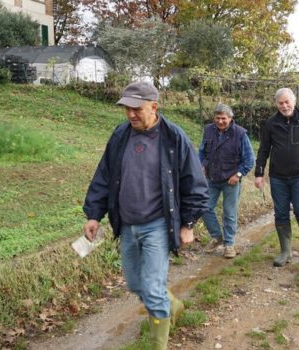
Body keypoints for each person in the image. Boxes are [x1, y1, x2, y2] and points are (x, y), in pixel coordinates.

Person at [82, 81, 209, 350]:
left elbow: (195, 184)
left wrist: (187, 224)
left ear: (154, 106)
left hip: (158, 225)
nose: (130, 115)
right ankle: (171, 305)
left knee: (151, 289)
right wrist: (94, 214)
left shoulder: (174, 137)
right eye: (126, 109)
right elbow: (104, 176)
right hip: (127, 225)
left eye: (136, 109)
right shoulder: (120, 135)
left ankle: (158, 344)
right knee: (136, 283)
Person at [254, 88, 299, 266]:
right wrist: (259, 173)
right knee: (281, 213)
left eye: (287, 102)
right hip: (278, 177)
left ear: (294, 101)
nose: (284, 106)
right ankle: (285, 251)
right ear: (276, 104)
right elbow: (263, 150)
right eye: (280, 103)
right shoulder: (271, 123)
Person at [198, 103, 255, 258]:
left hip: (231, 180)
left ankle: (229, 244)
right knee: (204, 207)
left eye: (223, 118)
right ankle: (217, 237)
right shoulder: (208, 130)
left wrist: (238, 175)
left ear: (230, 118)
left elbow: (249, 160)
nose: (220, 121)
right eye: (217, 118)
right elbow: (201, 152)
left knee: (229, 213)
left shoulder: (240, 134)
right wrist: (202, 165)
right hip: (212, 178)